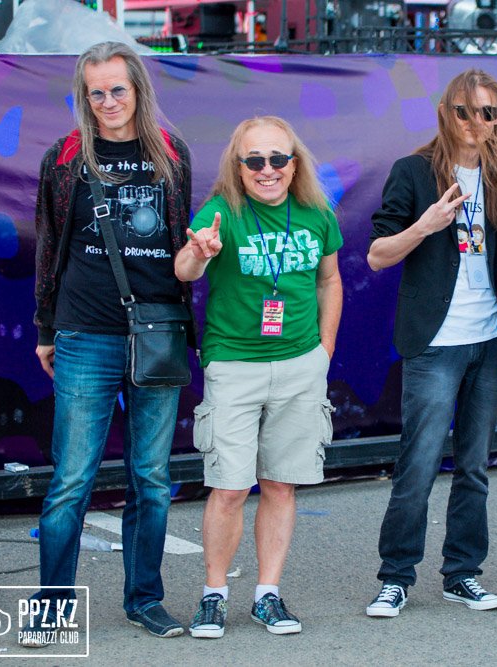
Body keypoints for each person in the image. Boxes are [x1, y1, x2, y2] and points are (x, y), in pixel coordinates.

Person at [27, 40, 193, 645]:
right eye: (95, 92)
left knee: (151, 477)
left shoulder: (171, 152)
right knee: (71, 481)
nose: (107, 102)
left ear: (138, 89)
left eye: (117, 89)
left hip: (156, 334)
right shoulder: (65, 156)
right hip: (84, 333)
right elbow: (49, 245)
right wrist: (46, 329)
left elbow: (179, 246)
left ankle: (145, 600)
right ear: (84, 95)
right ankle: (52, 610)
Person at [175, 116, 343, 638]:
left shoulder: (316, 213)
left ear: (294, 164)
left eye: (277, 159)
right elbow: (184, 270)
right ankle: (214, 595)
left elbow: (330, 280)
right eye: (254, 160)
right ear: (239, 166)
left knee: (280, 485)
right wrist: (198, 253)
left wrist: (323, 351)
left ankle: (267, 595)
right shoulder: (221, 212)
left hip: (300, 366)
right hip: (235, 365)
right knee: (229, 488)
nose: (267, 169)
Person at [364, 69, 497, 618]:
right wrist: (425, 225)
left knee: (474, 467)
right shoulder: (412, 171)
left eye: (487, 112)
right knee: (419, 463)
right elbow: (377, 255)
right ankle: (395, 577)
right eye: (464, 110)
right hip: (435, 344)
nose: (475, 122)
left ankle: (462, 574)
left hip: (488, 342)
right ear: (444, 113)